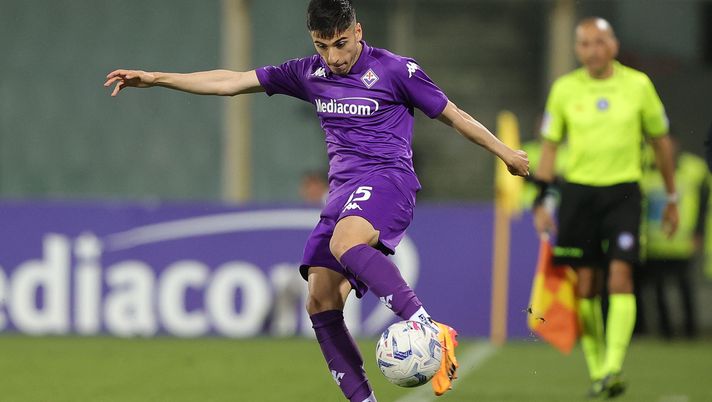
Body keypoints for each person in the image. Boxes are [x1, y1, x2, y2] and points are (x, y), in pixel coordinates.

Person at [104, 1, 529, 401]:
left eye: (341, 44)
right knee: (320, 299)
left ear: (357, 31)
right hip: (343, 195)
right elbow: (231, 82)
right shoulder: (308, 72)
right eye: (322, 46)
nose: (334, 57)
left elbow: (455, 116)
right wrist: (158, 78)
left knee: (347, 243)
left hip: (388, 181)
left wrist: (505, 153)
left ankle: (424, 324)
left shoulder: (396, 70)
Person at [532, 17, 678, 399]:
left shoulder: (639, 85)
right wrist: (542, 198)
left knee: (620, 277)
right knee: (585, 284)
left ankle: (613, 366)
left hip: (624, 194)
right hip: (578, 195)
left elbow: (661, 142)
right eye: (585, 44)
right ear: (577, 50)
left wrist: (672, 196)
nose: (593, 50)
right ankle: (598, 370)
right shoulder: (564, 89)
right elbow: (549, 148)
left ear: (613, 44)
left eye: (600, 42)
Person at [637, 141, 708, 339]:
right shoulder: (645, 171)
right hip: (654, 243)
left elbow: (703, 201)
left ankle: (689, 331)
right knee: (656, 289)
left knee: (685, 288)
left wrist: (698, 232)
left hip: (681, 242)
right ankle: (665, 332)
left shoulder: (693, 169)